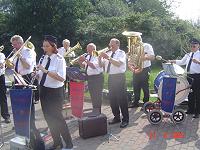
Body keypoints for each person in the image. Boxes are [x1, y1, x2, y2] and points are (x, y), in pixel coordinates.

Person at [37, 35, 73, 149]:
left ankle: (69, 143)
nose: (44, 48)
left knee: (58, 118)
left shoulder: (59, 59)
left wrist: (45, 70)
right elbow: (41, 75)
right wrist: (37, 74)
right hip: (43, 90)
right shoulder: (43, 58)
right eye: (43, 46)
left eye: (47, 46)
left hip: (55, 92)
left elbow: (61, 78)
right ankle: (57, 143)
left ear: (53, 46)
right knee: (48, 118)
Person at [99, 38, 129, 128]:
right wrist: (99, 58)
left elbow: (119, 64)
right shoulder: (108, 53)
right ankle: (116, 117)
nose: (109, 45)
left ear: (117, 44)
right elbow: (101, 65)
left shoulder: (121, 53)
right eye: (109, 43)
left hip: (119, 77)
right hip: (111, 77)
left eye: (111, 44)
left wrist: (108, 57)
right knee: (112, 99)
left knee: (122, 99)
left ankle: (125, 119)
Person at [169, 38, 200, 118]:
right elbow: (182, 62)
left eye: (194, 46)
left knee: (197, 94)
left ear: (198, 46)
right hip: (188, 76)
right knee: (190, 93)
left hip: (197, 76)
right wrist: (173, 61)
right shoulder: (188, 55)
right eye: (191, 46)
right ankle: (190, 110)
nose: (192, 47)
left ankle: (197, 112)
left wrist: (198, 62)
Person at [128, 34, 155, 107]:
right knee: (135, 86)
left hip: (145, 68)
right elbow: (130, 58)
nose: (133, 43)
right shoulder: (133, 47)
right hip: (136, 68)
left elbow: (152, 57)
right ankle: (135, 102)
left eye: (135, 40)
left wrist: (143, 57)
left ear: (139, 40)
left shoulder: (147, 46)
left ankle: (146, 104)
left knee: (145, 86)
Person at [78, 43, 104, 114]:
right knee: (92, 94)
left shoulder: (96, 55)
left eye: (89, 50)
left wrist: (85, 60)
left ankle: (98, 110)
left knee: (97, 95)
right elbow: (85, 66)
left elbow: (93, 66)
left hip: (97, 77)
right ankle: (94, 109)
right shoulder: (88, 56)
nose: (88, 51)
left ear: (94, 49)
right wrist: (79, 61)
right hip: (90, 77)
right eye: (87, 49)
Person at [0, 50, 11, 123]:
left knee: (2, 97)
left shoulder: (1, 55)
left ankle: (6, 116)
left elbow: (1, 65)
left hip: (0, 77)